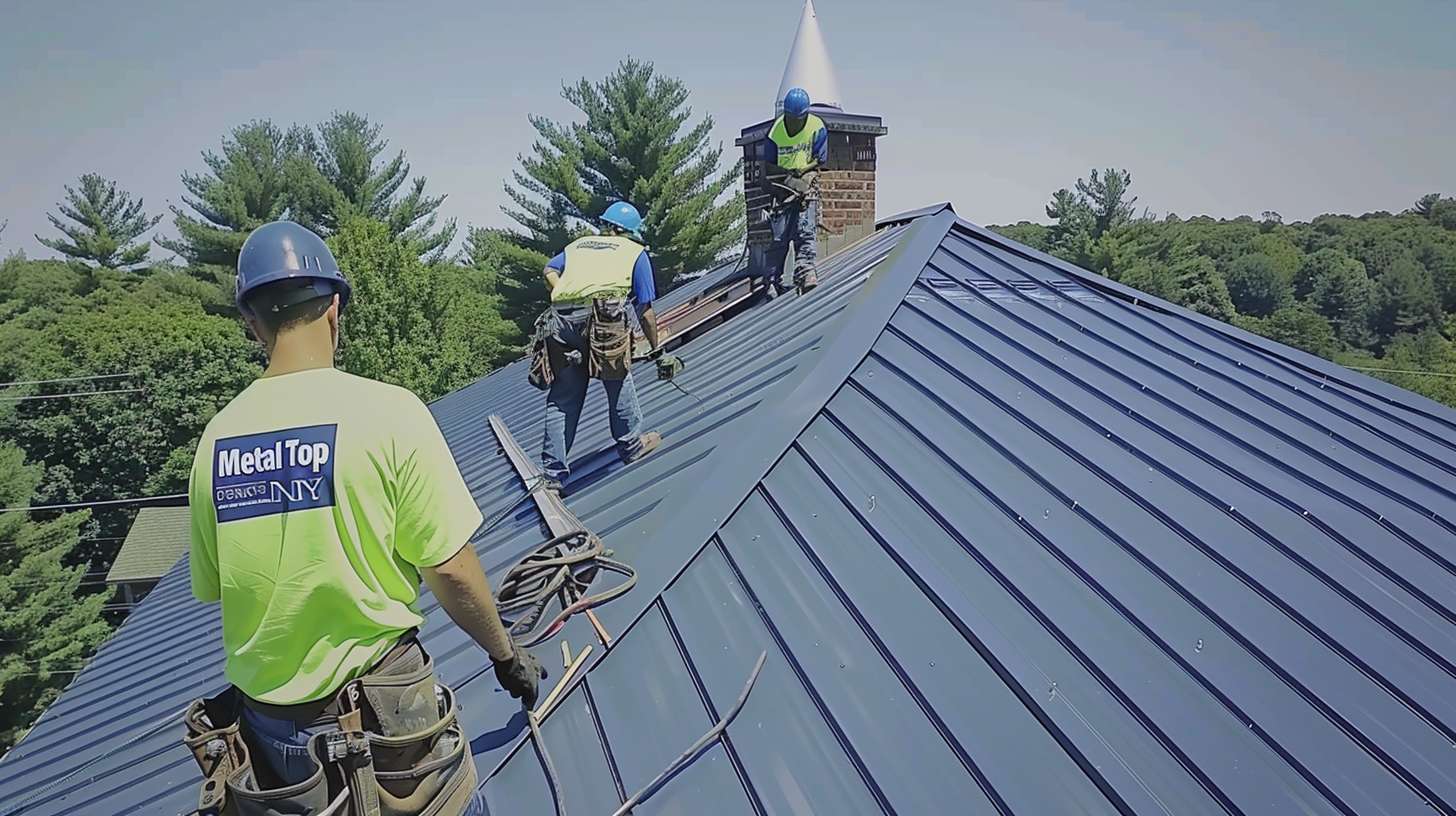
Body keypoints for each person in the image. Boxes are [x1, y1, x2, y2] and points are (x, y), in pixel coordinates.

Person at [187, 221, 542, 815]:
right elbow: (450, 569)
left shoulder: (215, 443)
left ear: (253, 323)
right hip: (385, 714)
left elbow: (219, 586)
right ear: (334, 310)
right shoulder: (388, 413)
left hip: (273, 737)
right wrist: (505, 655)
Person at [539, 201, 666, 492]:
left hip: (562, 323)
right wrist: (656, 348)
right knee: (617, 378)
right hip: (603, 321)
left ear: (607, 226)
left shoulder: (580, 246)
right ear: (630, 232)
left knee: (564, 398)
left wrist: (559, 288)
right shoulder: (635, 253)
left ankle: (552, 477)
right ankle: (631, 445)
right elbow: (644, 309)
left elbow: (548, 268)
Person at [760, 86, 828, 295]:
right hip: (782, 187)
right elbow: (768, 166)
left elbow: (820, 159)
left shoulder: (817, 127)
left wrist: (803, 174)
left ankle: (806, 272)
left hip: (805, 187)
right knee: (779, 238)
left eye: (798, 119)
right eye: (791, 118)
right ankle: (772, 280)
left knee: (805, 233)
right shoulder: (775, 132)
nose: (794, 123)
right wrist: (785, 180)